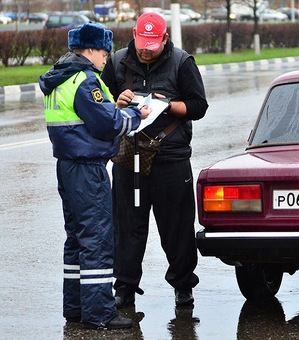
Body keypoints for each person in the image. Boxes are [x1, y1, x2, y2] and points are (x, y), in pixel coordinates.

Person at [39, 22, 151, 329]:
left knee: (76, 239)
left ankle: (74, 308)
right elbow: (107, 124)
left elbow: (84, 120)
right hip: (88, 170)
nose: (106, 58)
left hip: (67, 166)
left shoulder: (58, 78)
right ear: (90, 49)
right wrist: (134, 116)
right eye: (104, 52)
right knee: (97, 240)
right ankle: (100, 313)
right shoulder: (85, 80)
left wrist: (115, 111)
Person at [101, 12, 208, 308]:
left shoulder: (182, 62)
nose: (145, 49)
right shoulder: (118, 60)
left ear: (164, 38)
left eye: (152, 43)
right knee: (127, 226)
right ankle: (124, 286)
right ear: (134, 34)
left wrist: (168, 106)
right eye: (141, 42)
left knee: (176, 227)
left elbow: (199, 105)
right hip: (128, 156)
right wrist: (118, 102)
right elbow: (104, 100)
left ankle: (183, 285)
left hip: (170, 158)